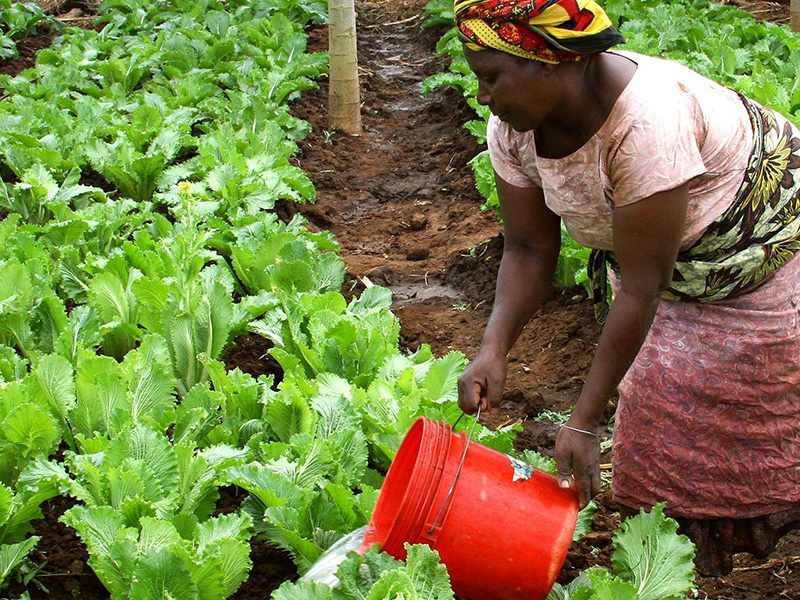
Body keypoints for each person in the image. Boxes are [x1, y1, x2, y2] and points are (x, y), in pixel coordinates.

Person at [453, 0, 800, 577]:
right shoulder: (513, 130)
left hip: (760, 254)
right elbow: (528, 250)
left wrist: (584, 421)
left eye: (491, 77)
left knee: (768, 409)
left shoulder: (645, 121)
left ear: (549, 63)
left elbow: (642, 286)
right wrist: (493, 351)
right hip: (664, 266)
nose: (484, 97)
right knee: (658, 423)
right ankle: (678, 566)